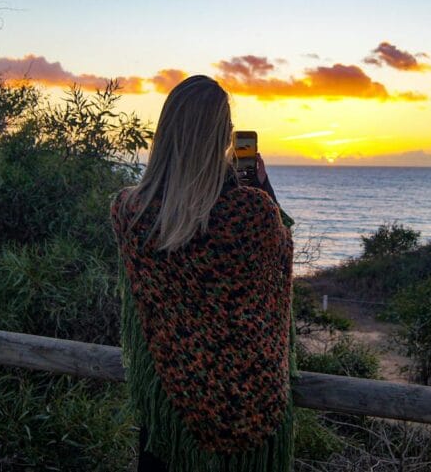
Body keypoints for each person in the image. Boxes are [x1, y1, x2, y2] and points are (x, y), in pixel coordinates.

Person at [110, 75, 298, 472]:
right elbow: (278, 251)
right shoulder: (250, 212)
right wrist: (261, 189)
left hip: (168, 418)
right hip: (244, 416)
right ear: (221, 137)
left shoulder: (133, 212)